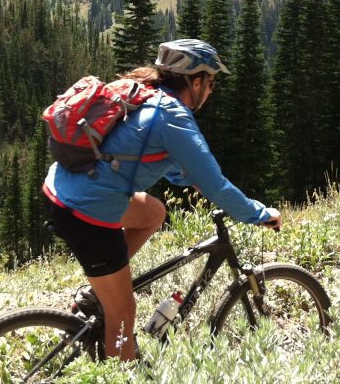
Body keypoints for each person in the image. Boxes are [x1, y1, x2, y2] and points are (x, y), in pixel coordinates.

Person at [42, 38, 281, 361]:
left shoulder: (147, 95)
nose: (211, 91)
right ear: (195, 82)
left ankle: (99, 294)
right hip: (86, 211)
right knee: (124, 313)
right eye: (211, 83)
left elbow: (148, 156)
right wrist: (260, 213)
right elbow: (219, 188)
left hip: (63, 186)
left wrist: (189, 180)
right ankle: (118, 372)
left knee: (153, 213)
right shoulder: (173, 116)